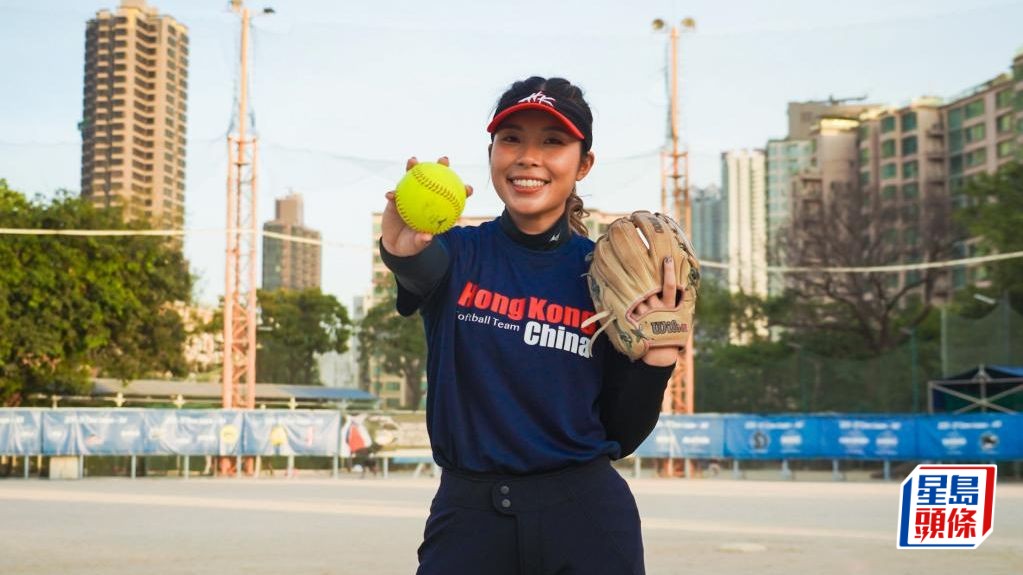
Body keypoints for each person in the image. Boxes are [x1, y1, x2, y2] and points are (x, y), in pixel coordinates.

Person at [379, 76, 680, 575]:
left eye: (553, 142)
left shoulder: (610, 276)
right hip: (469, 519)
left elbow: (622, 434)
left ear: (583, 164)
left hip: (584, 515)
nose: (528, 156)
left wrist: (657, 361)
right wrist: (401, 249)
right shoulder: (457, 253)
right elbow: (416, 266)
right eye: (512, 138)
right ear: (493, 151)